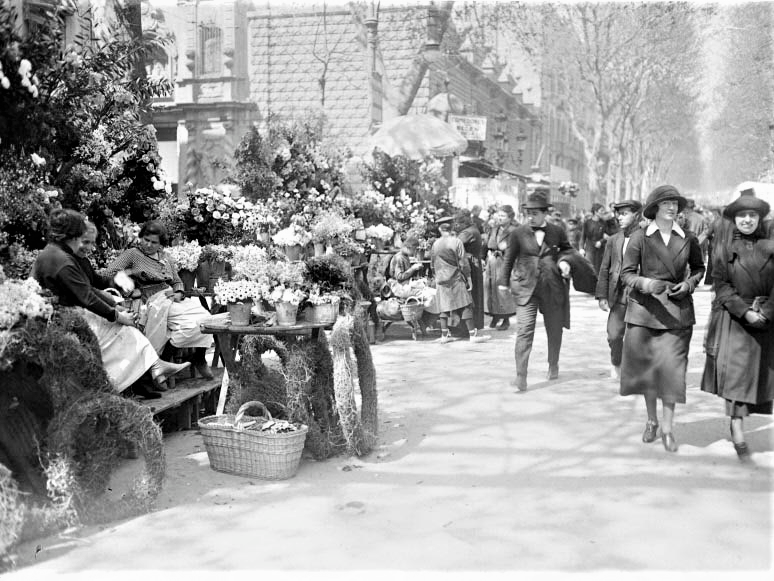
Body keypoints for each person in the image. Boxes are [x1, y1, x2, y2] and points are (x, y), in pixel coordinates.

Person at [31, 209, 191, 397]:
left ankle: (151, 371)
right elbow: (87, 296)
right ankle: (135, 379)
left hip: (69, 314)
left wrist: (118, 282)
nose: (88, 246)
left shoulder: (55, 253)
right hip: (65, 321)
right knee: (126, 329)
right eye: (84, 240)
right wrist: (116, 314)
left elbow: (95, 283)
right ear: (73, 236)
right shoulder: (63, 260)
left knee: (129, 326)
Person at [619, 185, 705, 453]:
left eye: (675, 203)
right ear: (654, 208)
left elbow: (700, 268)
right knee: (649, 372)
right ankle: (651, 420)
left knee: (671, 371)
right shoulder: (639, 237)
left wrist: (689, 284)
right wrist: (645, 283)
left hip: (677, 314)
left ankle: (668, 428)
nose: (672, 208)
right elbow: (626, 274)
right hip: (645, 313)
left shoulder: (688, 238)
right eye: (666, 203)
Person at [701, 190, 774, 461]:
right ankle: (737, 428)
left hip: (767, 320)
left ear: (759, 219)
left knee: (760, 375)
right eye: (742, 215)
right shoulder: (724, 250)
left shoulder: (771, 246)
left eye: (752, 215)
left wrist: (766, 312)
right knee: (736, 376)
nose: (747, 220)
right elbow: (721, 286)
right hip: (737, 321)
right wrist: (745, 313)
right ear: (735, 219)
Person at [105, 220, 214, 379]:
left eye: (153, 242)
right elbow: (109, 273)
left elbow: (176, 281)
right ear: (140, 238)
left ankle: (198, 356)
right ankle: (163, 361)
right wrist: (129, 288)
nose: (148, 245)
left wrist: (178, 293)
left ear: (161, 244)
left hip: (171, 297)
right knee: (190, 323)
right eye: (145, 240)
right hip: (151, 299)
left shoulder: (165, 257)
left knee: (205, 318)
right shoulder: (133, 254)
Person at [497, 191, 574, 391]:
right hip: (525, 288)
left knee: (554, 329)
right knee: (524, 331)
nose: (530, 216)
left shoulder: (557, 231)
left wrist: (565, 262)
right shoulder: (518, 233)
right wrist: (503, 282)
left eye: (535, 213)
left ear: (544, 213)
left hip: (552, 287)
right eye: (528, 213)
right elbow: (508, 258)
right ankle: (521, 376)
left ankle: (553, 364)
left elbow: (568, 250)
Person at [595, 199, 643, 380]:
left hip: (640, 296)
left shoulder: (647, 238)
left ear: (636, 215)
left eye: (624, 214)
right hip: (619, 294)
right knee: (614, 335)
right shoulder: (614, 240)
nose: (619, 218)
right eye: (618, 214)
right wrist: (601, 296)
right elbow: (604, 268)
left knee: (637, 336)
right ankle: (616, 360)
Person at [430, 219, 489, 344]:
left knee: (444, 307)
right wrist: (468, 279)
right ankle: (473, 335)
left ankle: (444, 335)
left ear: (440, 230)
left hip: (441, 278)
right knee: (465, 304)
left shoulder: (435, 244)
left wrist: (437, 276)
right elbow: (463, 263)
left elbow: (432, 263)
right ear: (452, 229)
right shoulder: (456, 242)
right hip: (455, 277)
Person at [484, 205, 518, 330]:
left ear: (510, 218)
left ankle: (506, 319)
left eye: (503, 216)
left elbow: (517, 248)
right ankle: (495, 315)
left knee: (503, 290)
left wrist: (505, 249)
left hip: (505, 262)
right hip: (492, 262)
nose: (500, 218)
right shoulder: (494, 229)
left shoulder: (514, 231)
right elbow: (488, 244)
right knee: (491, 289)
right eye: (499, 215)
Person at [454, 211, 485, 330]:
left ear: (464, 222)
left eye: (458, 223)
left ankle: (469, 327)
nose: (456, 226)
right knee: (475, 293)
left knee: (470, 294)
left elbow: (455, 244)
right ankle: (475, 324)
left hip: (470, 263)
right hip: (473, 262)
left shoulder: (467, 232)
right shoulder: (472, 229)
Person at [580, 203, 613, 275]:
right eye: (601, 210)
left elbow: (608, 236)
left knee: (599, 269)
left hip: (600, 249)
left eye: (603, 210)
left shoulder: (603, 223)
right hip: (589, 249)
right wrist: (581, 248)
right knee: (589, 268)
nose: (603, 212)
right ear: (595, 212)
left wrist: (601, 241)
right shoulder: (587, 223)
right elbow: (583, 236)